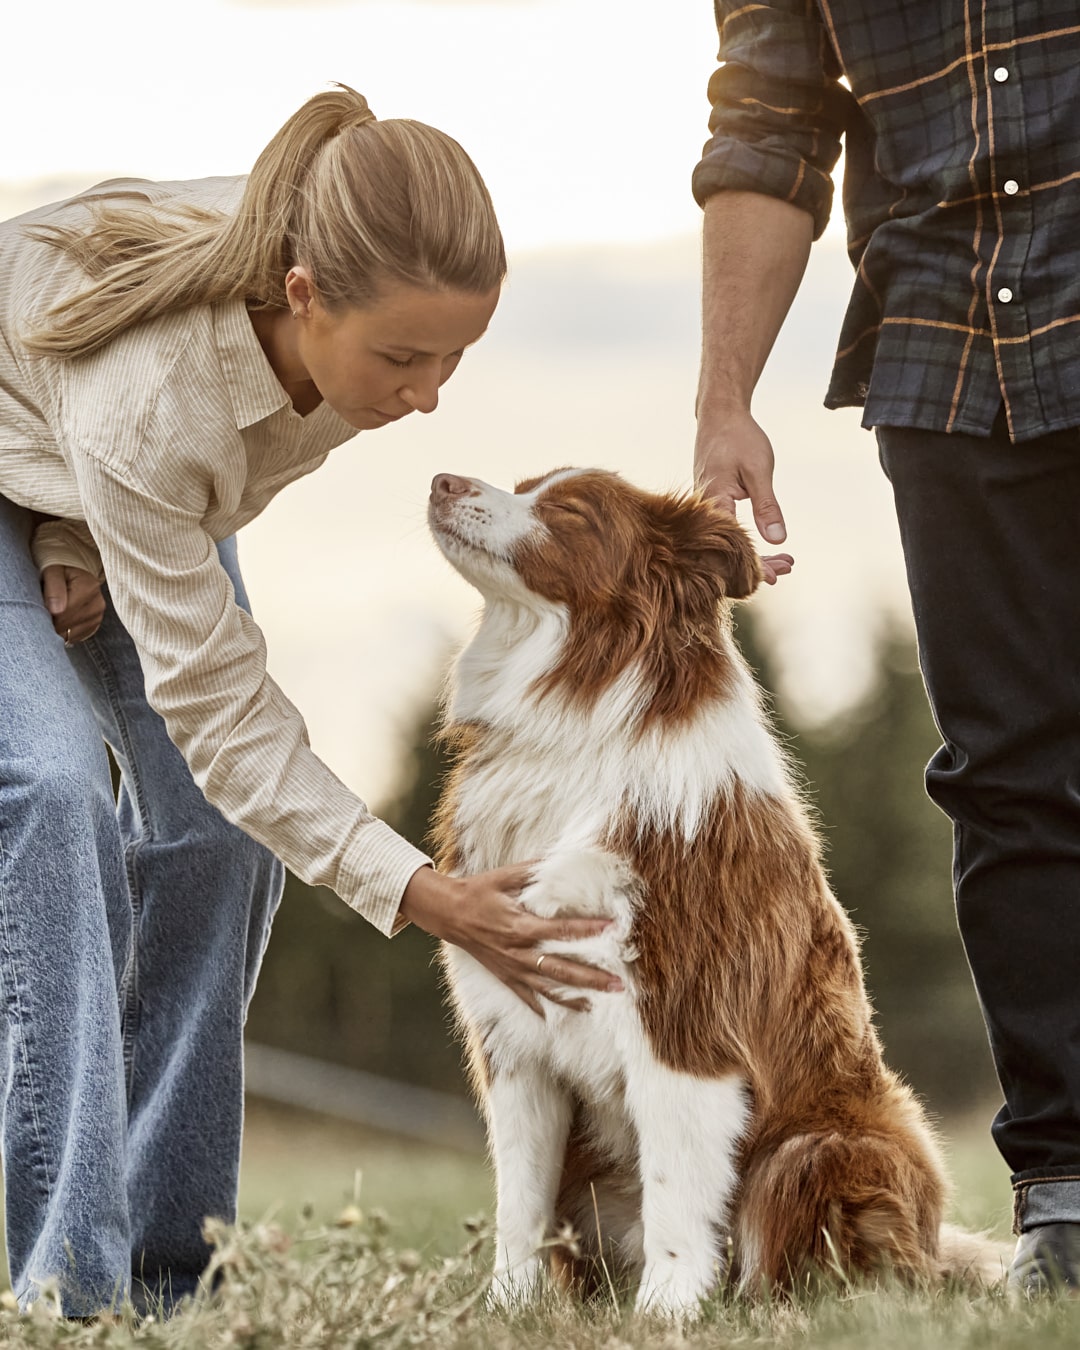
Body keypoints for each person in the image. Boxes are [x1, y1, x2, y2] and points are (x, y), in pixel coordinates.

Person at [0, 83, 622, 1318]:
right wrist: (419, 890)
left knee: (217, 834)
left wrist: (83, 520)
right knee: (56, 787)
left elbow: (147, 503)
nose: (429, 394)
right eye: (404, 357)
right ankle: (67, 1288)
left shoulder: (338, 267)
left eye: (456, 356)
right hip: (69, 443)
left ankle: (172, 1270)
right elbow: (221, 709)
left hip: (110, 475)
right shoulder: (159, 397)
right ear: (301, 298)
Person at [692, 3, 1080, 1295]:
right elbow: (770, 119)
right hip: (952, 352)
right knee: (1012, 777)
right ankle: (1068, 1200)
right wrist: (726, 401)